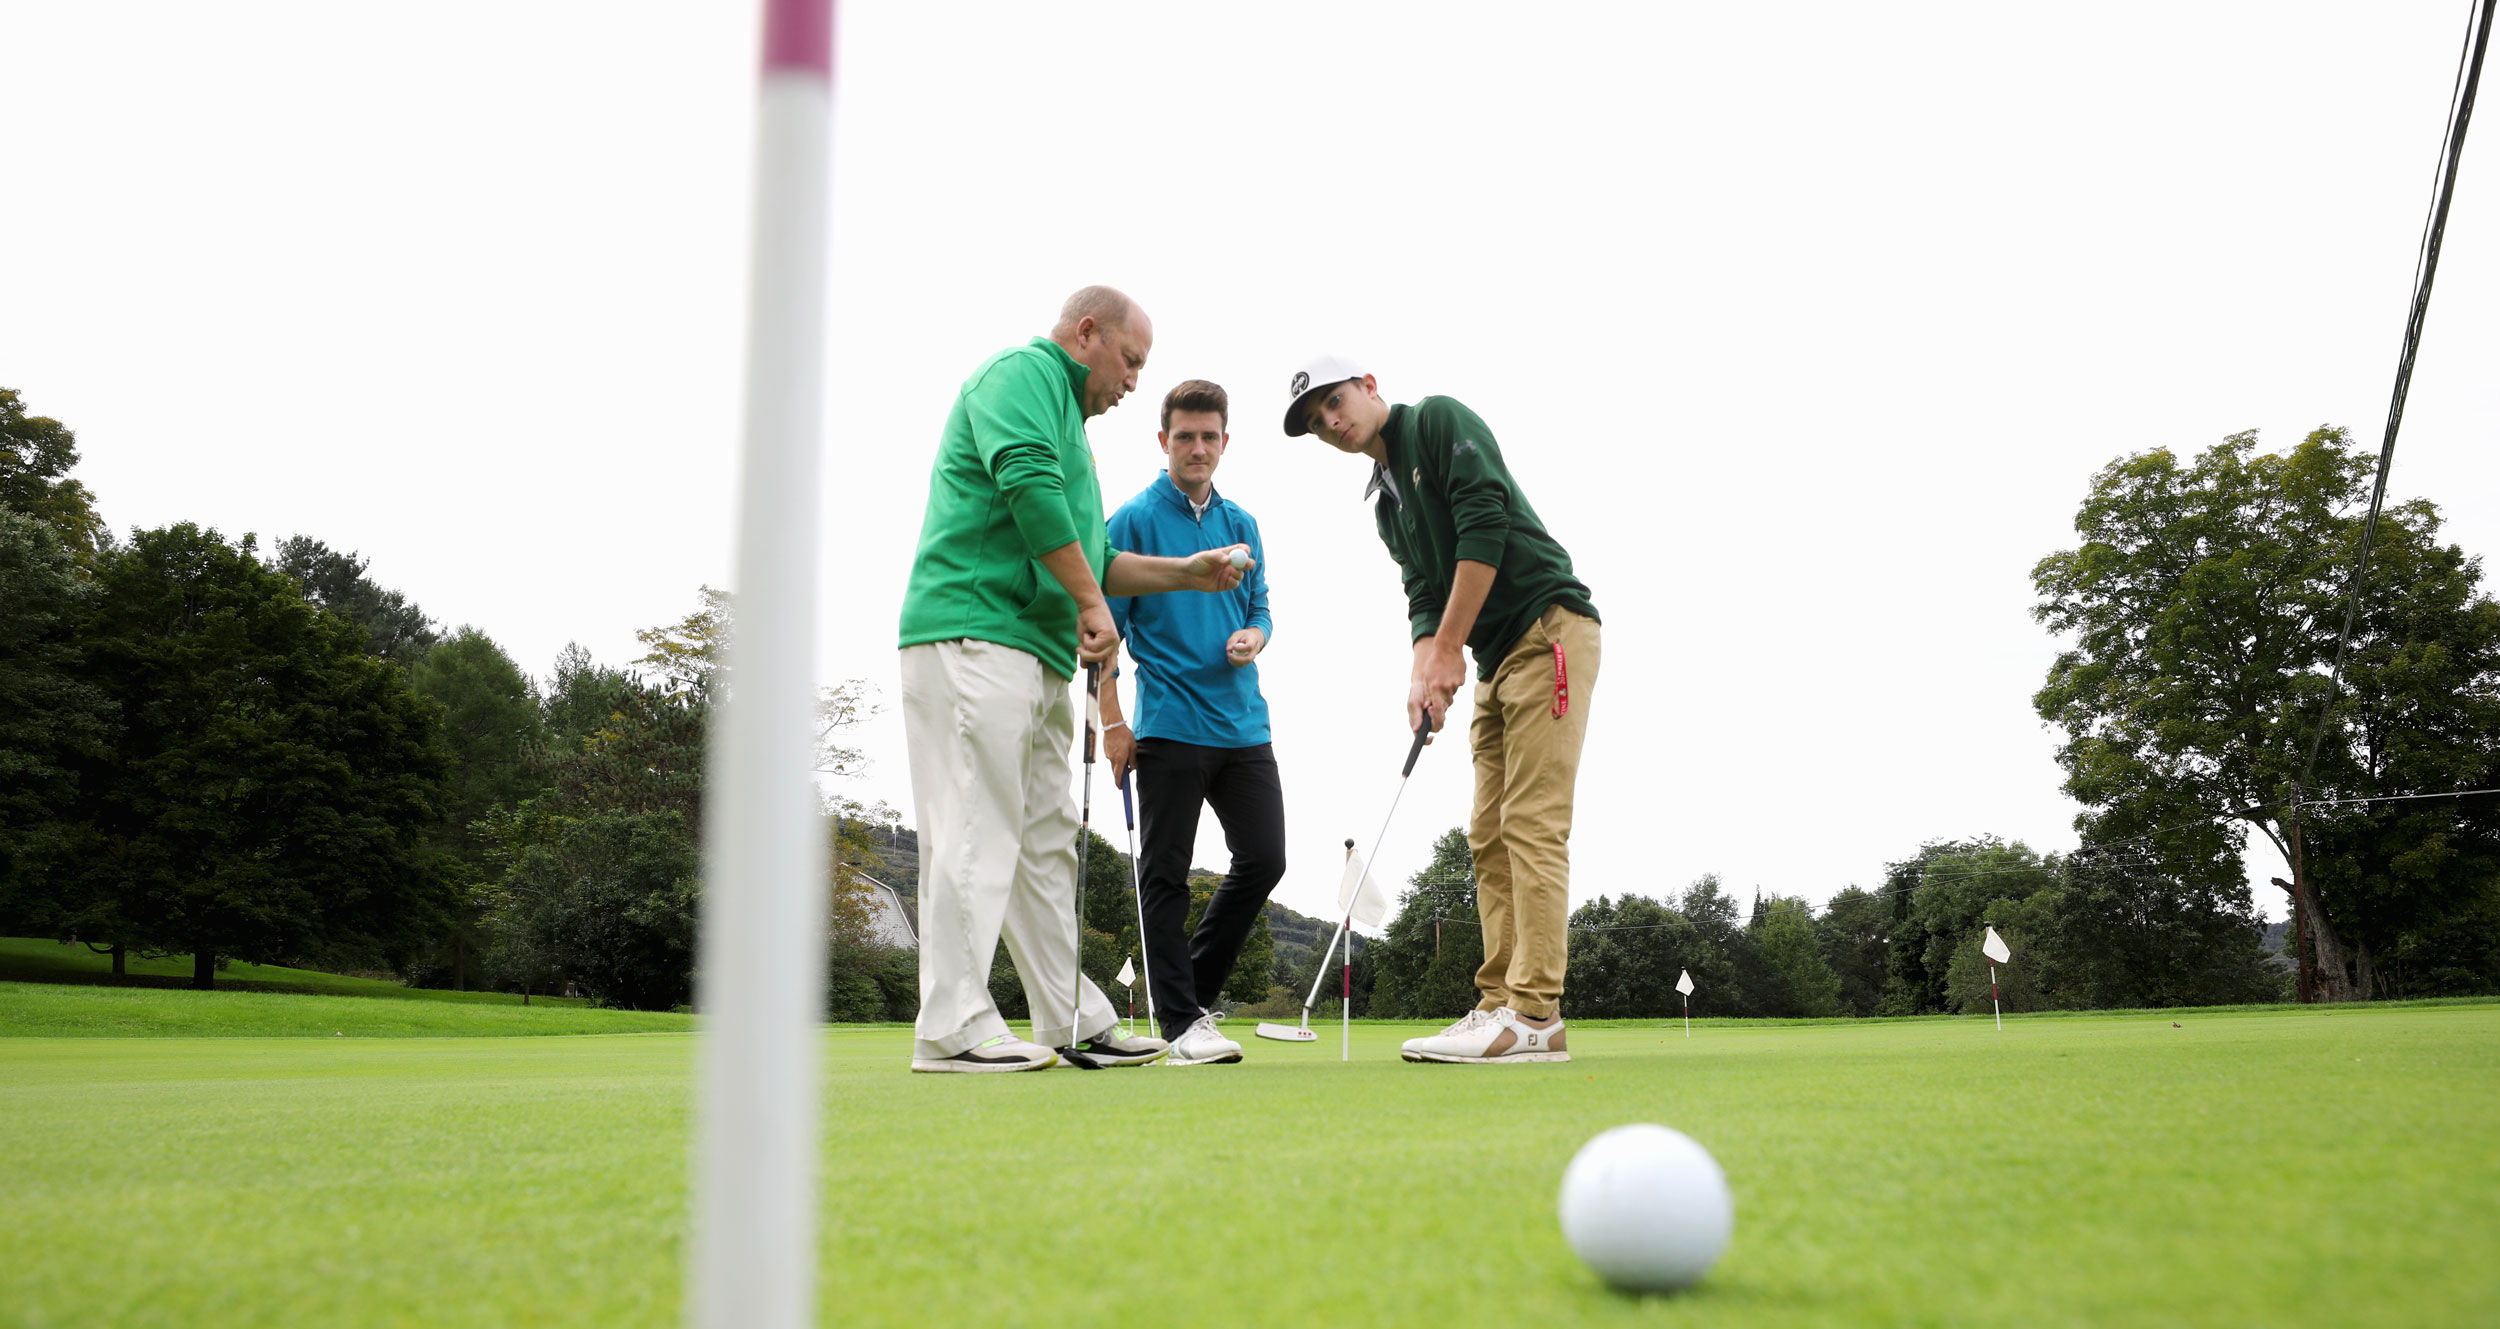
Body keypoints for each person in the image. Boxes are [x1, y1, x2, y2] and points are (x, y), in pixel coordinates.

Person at [897, 286, 1251, 1073]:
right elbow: (1026, 488)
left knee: (1046, 839)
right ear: (1086, 333)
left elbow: (1089, 559)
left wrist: (1187, 574)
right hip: (970, 632)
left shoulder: (1076, 435)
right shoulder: (1021, 375)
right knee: (977, 827)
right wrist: (1093, 603)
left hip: (1036, 653)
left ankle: (1071, 1016)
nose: (1133, 380)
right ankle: (950, 1023)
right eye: (1130, 360)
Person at [1283, 354, 1599, 1065]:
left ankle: (1536, 1013)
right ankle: (1496, 1004)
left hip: (1548, 630)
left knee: (1531, 822)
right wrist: (1424, 672)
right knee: (1486, 834)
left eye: (1334, 402)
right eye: (1316, 421)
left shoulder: (1438, 422)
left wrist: (1449, 650)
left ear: (1367, 385)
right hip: (1492, 657)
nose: (1331, 423)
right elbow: (1422, 597)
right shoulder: (1388, 506)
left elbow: (1483, 528)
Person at [1100, 379, 1281, 1067]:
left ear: (1225, 442)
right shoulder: (1133, 522)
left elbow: (1260, 606)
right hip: (1170, 724)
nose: (1198, 447)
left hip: (1244, 725)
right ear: (1163, 441)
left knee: (1266, 857)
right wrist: (1113, 723)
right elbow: (1103, 636)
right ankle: (1180, 1021)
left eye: (1210, 436)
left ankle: (1189, 999)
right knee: (1165, 873)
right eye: (1185, 436)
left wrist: (1255, 637)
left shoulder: (1243, 524)